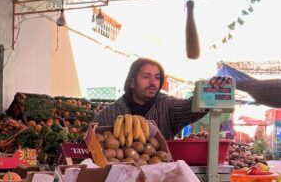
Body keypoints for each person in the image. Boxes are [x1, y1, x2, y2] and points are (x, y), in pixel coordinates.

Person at [96, 57, 226, 139]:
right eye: (146, 77)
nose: (153, 82)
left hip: (161, 180)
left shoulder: (167, 106)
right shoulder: (109, 114)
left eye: (157, 78)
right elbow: (89, 141)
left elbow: (190, 107)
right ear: (131, 82)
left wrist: (213, 88)